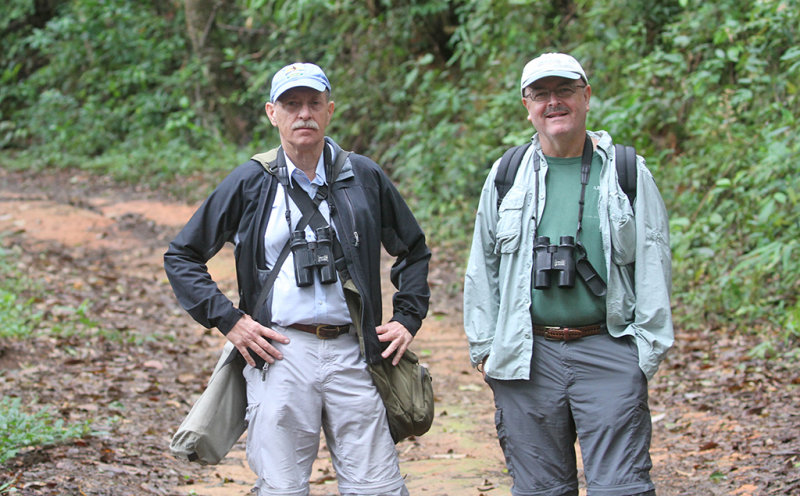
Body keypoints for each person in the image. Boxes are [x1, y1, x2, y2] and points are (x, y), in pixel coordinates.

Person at [164, 62, 430, 496]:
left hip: (355, 353)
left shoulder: (362, 176)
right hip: (281, 353)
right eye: (291, 104)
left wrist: (407, 317)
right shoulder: (252, 181)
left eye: (313, 104)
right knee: (282, 488)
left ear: (329, 111)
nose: (303, 114)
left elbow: (413, 248)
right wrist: (230, 321)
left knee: (377, 487)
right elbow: (182, 255)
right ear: (273, 113)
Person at [463, 52, 673, 496]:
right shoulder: (506, 175)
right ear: (527, 105)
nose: (553, 102)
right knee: (540, 490)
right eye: (541, 94)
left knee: (622, 488)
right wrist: (485, 347)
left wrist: (643, 354)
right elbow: (483, 265)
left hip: (608, 348)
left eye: (565, 91)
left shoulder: (625, 172)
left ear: (586, 96)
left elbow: (654, 262)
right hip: (527, 358)